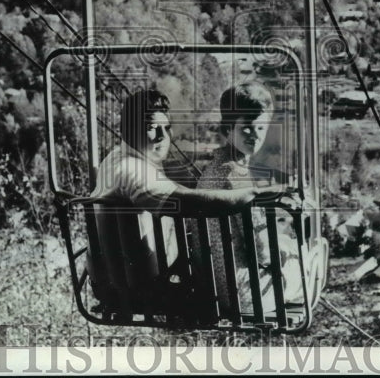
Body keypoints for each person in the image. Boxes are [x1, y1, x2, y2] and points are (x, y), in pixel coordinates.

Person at [88, 89, 282, 319]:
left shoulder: (114, 160)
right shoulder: (132, 171)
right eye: (152, 127)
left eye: (166, 128)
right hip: (145, 291)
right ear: (127, 129)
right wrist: (251, 194)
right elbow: (185, 202)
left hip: (117, 284)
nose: (162, 137)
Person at [197, 81, 306, 316]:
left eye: (260, 128)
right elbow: (264, 253)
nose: (255, 136)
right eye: (246, 128)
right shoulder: (238, 178)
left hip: (212, 290)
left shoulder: (214, 169)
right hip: (246, 296)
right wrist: (289, 251)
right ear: (227, 130)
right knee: (310, 257)